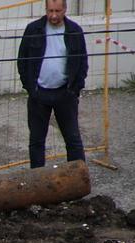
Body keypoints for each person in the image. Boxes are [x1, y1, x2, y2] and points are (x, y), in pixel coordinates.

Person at [17, 0, 88, 168]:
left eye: (57, 11)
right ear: (46, 10)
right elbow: (22, 61)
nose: (53, 15)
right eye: (50, 11)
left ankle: (77, 177)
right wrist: (30, 88)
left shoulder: (75, 31)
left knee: (73, 139)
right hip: (39, 93)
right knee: (36, 141)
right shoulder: (33, 29)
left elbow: (82, 63)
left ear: (65, 10)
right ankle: (37, 181)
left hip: (65, 92)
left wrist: (75, 89)